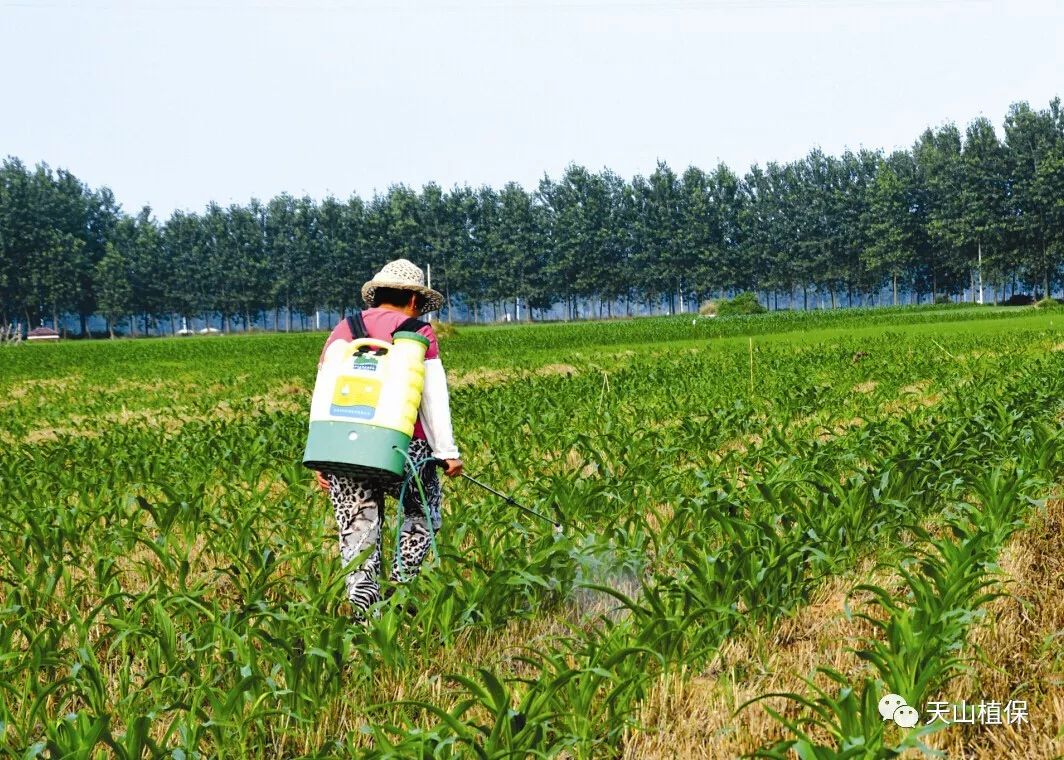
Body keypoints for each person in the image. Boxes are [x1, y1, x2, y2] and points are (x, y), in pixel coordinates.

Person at [315, 259, 462, 616]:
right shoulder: (417, 332)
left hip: (343, 448)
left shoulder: (342, 331)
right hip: (401, 447)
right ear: (413, 300)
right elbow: (432, 396)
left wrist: (321, 456)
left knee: (357, 531)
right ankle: (400, 588)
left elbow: (323, 390)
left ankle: (365, 613)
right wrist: (446, 452)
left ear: (376, 296)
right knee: (422, 512)